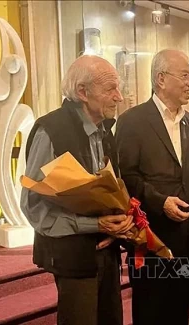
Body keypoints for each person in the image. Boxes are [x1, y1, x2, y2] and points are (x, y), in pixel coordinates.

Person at [21, 55, 134, 325]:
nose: (119, 97)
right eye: (110, 89)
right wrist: (93, 224)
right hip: (72, 254)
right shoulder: (50, 130)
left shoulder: (105, 130)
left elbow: (112, 186)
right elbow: (34, 206)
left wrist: (123, 218)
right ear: (82, 92)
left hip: (107, 250)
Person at [116, 49, 189, 325]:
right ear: (161, 79)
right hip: (150, 233)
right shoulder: (132, 121)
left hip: (186, 233)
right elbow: (125, 177)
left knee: (180, 304)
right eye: (185, 75)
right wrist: (160, 202)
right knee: (152, 308)